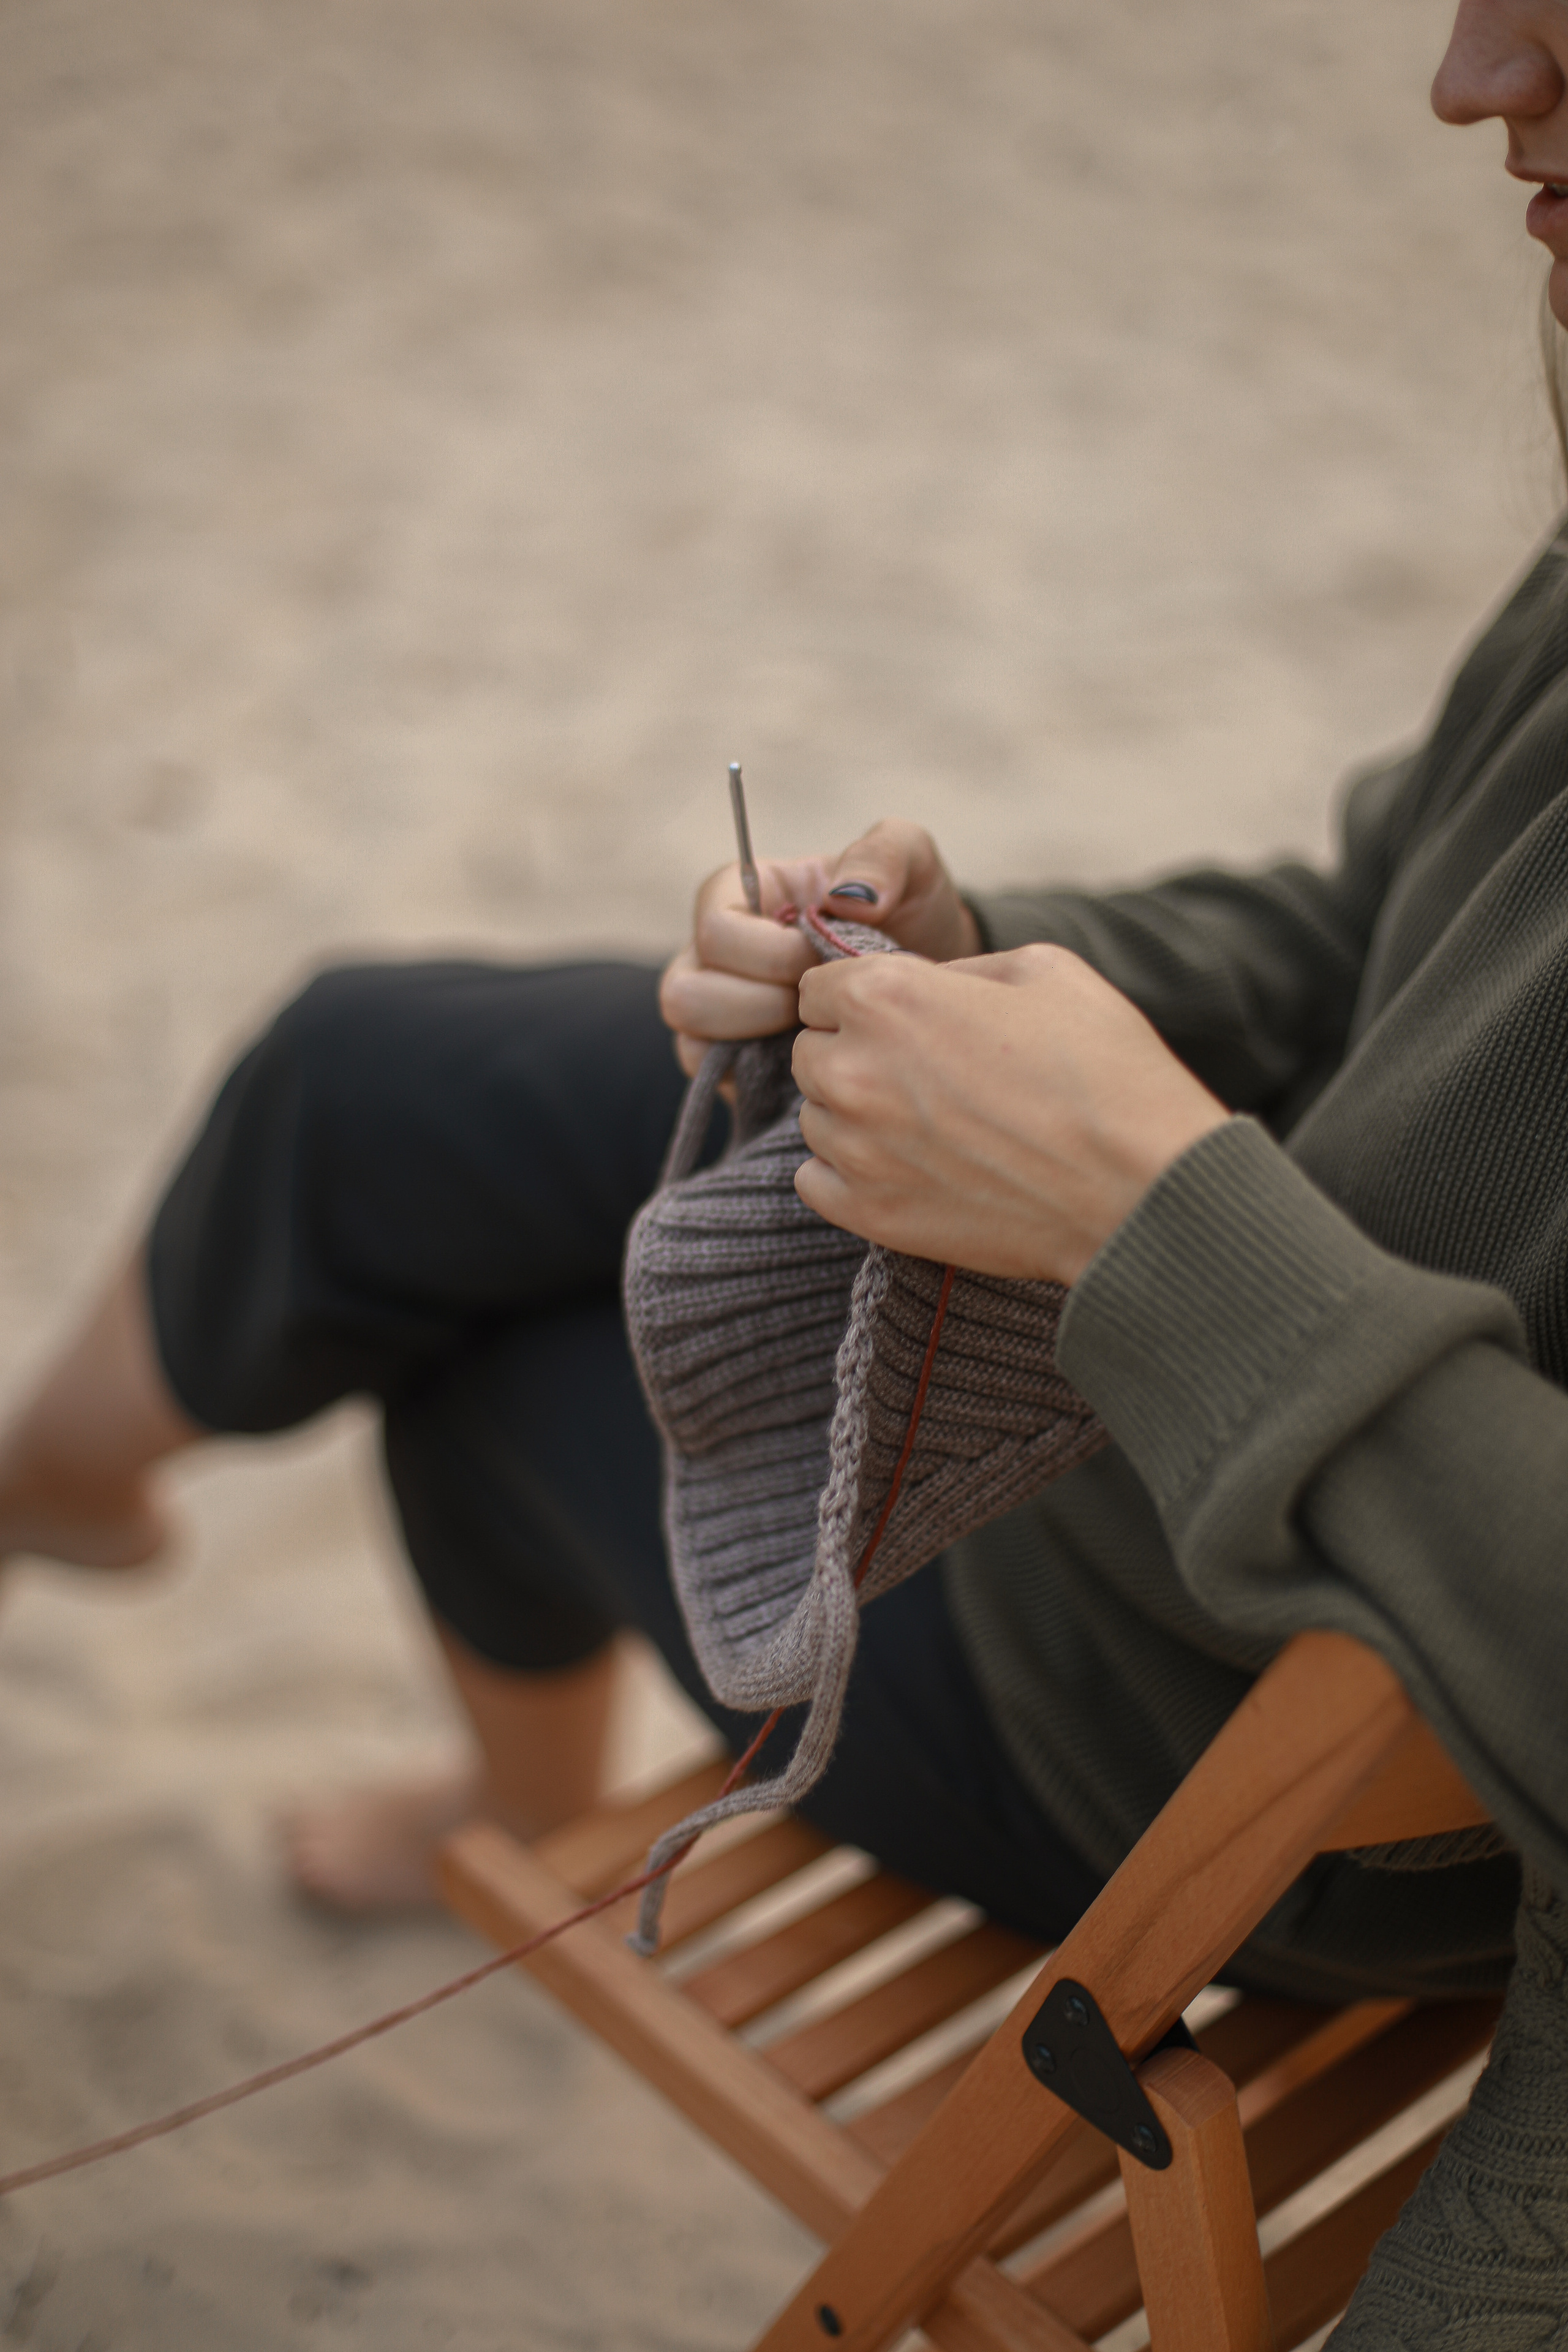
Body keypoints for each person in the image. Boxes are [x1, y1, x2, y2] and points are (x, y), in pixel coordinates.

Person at [6, 0, 1568, 2337]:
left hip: (1234, 1723)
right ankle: (69, 1488)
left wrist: (1148, 1212)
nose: (1469, 73)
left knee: (465, 1375)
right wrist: (987, 960)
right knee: (361, 1075)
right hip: (1206, 1424)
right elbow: (1374, 925)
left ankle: (409, 1752)